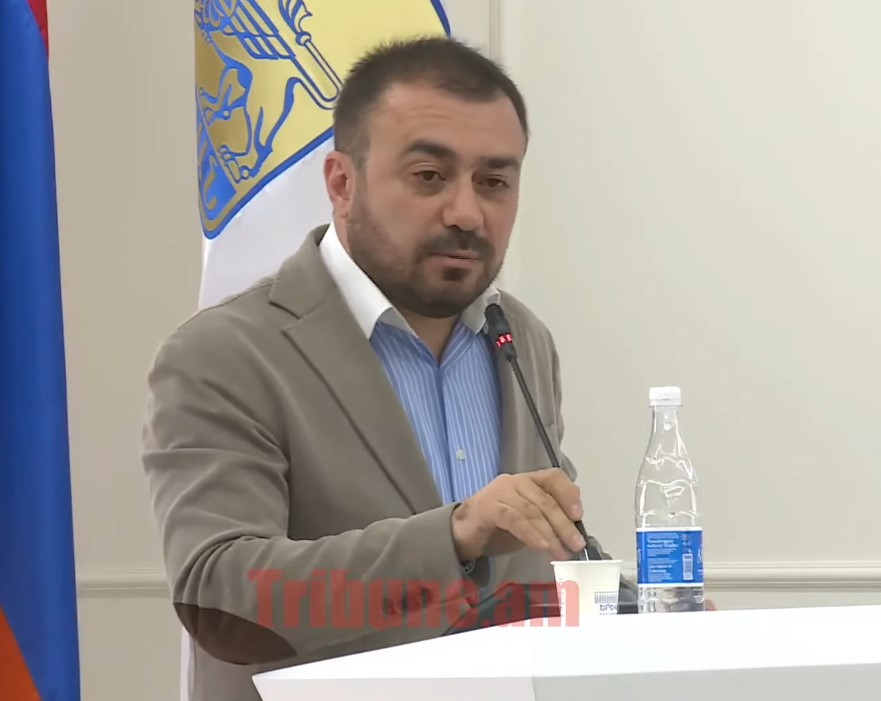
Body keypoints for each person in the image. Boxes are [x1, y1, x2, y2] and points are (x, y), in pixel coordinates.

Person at [141, 37, 617, 701]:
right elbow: (221, 597)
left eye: (494, 182)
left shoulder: (519, 336)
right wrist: (455, 535)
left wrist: (640, 613)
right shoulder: (224, 352)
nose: (466, 212)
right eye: (429, 176)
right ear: (342, 183)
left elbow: (532, 570)